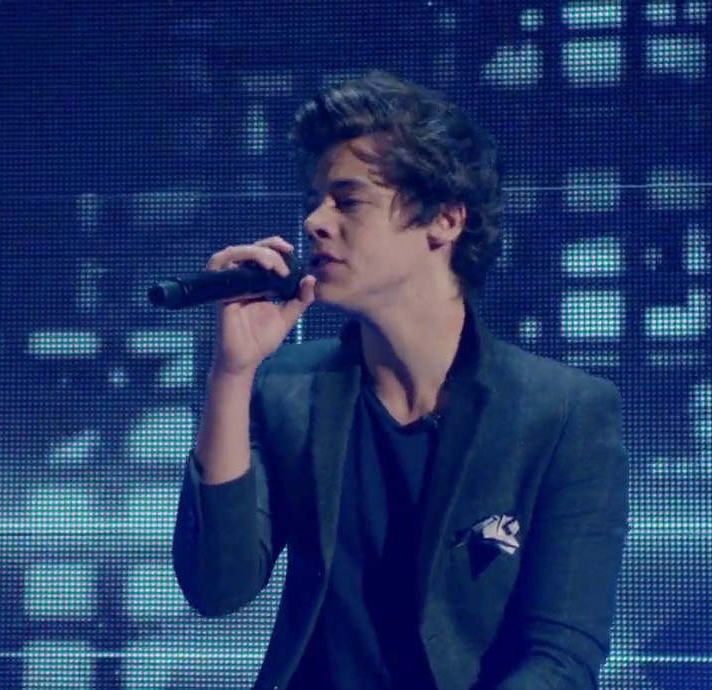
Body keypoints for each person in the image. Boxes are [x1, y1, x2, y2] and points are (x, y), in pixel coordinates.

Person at [172, 70, 629, 690]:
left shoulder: (564, 412)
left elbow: (561, 656)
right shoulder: (289, 388)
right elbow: (216, 587)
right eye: (314, 200)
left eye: (348, 201)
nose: (315, 222)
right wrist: (232, 373)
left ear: (445, 220)